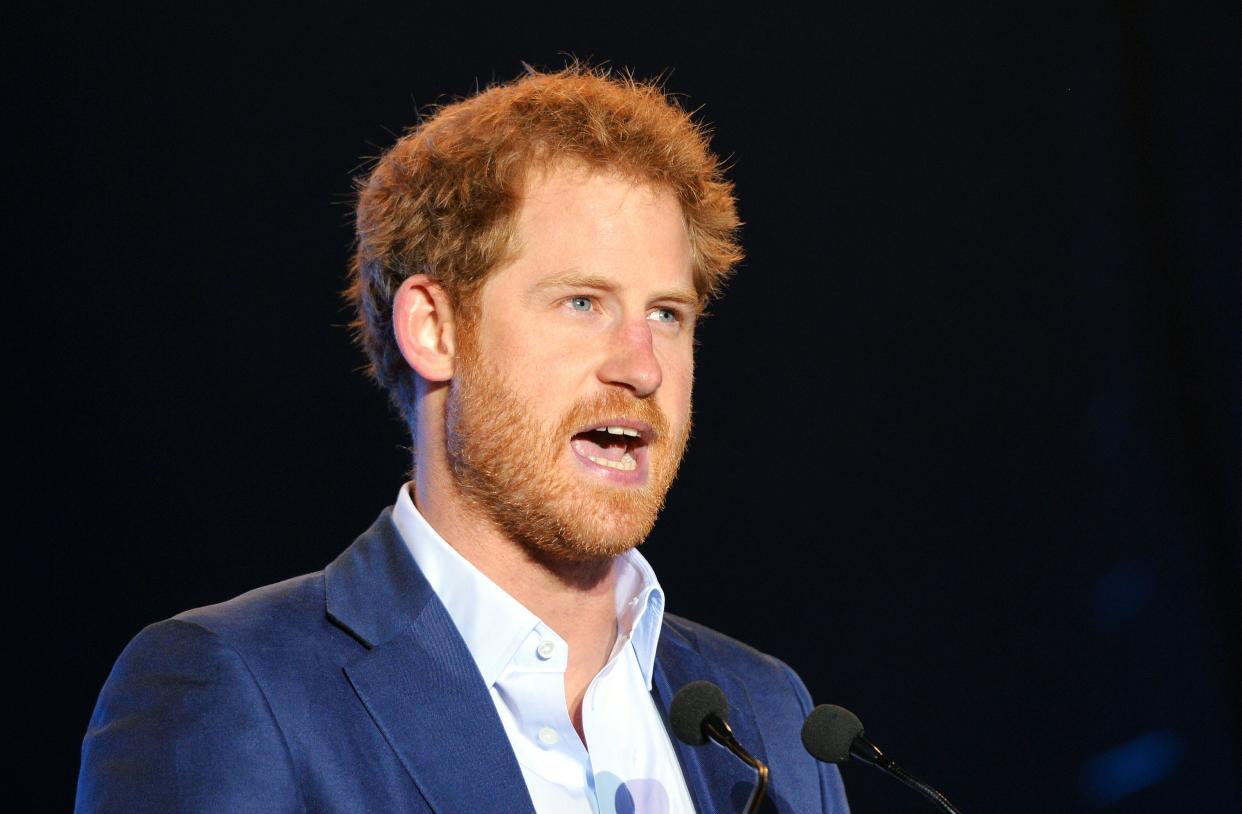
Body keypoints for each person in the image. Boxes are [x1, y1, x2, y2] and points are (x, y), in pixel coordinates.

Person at [76, 66, 849, 814]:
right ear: (434, 328)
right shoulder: (233, 687)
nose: (641, 368)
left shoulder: (768, 714)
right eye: (583, 303)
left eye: (667, 315)